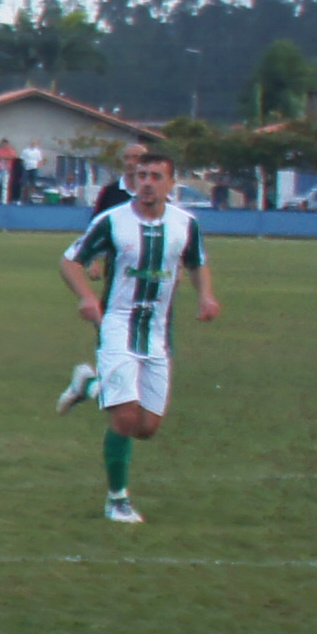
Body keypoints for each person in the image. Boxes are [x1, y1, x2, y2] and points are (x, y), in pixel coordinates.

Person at [57, 148, 218, 523]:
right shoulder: (113, 221)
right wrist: (85, 297)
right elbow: (70, 261)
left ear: (171, 183)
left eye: (155, 176)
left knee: (147, 427)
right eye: (141, 175)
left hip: (158, 333)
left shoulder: (185, 224)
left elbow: (197, 262)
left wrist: (206, 295)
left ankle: (89, 384)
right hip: (117, 326)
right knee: (125, 420)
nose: (147, 182)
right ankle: (117, 499)